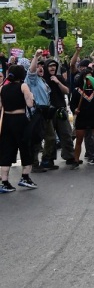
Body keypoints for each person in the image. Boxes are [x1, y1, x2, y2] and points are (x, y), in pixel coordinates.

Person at [1, 64, 38, 193]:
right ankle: (25, 177)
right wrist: (31, 97)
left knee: (7, 150)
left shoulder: (2, 88)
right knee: (25, 147)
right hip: (19, 120)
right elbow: (29, 103)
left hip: (6, 120)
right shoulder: (23, 86)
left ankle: (4, 182)